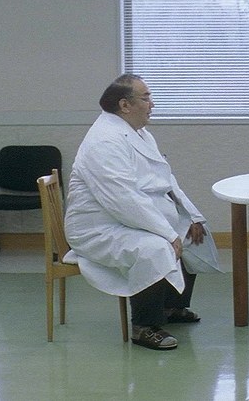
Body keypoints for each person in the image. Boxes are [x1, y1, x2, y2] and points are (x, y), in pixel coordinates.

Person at [64, 73, 221, 350]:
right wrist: (166, 232)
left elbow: (167, 180)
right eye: (146, 98)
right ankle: (144, 326)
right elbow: (122, 200)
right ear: (125, 105)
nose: (152, 104)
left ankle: (171, 307)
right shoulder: (104, 142)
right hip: (99, 227)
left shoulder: (140, 134)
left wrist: (193, 216)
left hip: (129, 219)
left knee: (193, 234)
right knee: (155, 248)